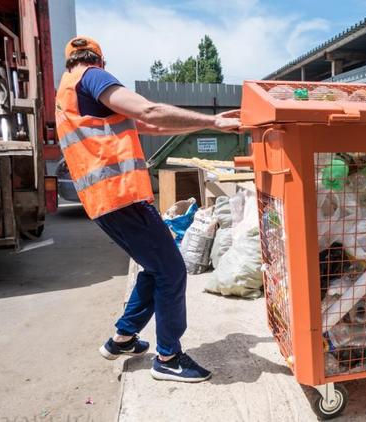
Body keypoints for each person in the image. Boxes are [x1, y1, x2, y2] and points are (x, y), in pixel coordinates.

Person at [54, 36, 240, 383]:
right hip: (122, 196)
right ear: (100, 61)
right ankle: (168, 357)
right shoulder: (92, 78)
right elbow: (149, 111)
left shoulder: (68, 93)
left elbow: (152, 125)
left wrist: (203, 122)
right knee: (171, 271)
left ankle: (123, 339)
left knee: (156, 268)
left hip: (104, 202)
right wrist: (215, 122)